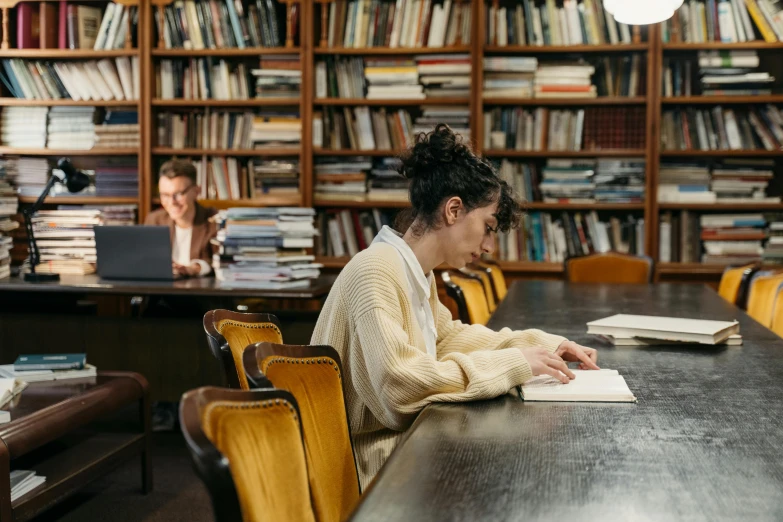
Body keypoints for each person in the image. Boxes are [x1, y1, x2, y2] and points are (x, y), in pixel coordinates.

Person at [311, 124, 600, 489]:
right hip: (366, 474)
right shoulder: (376, 270)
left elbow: (447, 339)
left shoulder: (414, 273)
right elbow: (399, 386)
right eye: (488, 227)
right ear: (453, 210)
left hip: (398, 457)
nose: (489, 247)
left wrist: (542, 346)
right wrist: (512, 364)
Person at [145, 159, 217, 277]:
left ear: (196, 191)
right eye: (165, 195)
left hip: (201, 292)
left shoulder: (215, 221)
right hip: (161, 291)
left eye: (178, 194)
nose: (172, 202)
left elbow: (224, 262)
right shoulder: (154, 220)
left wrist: (196, 268)